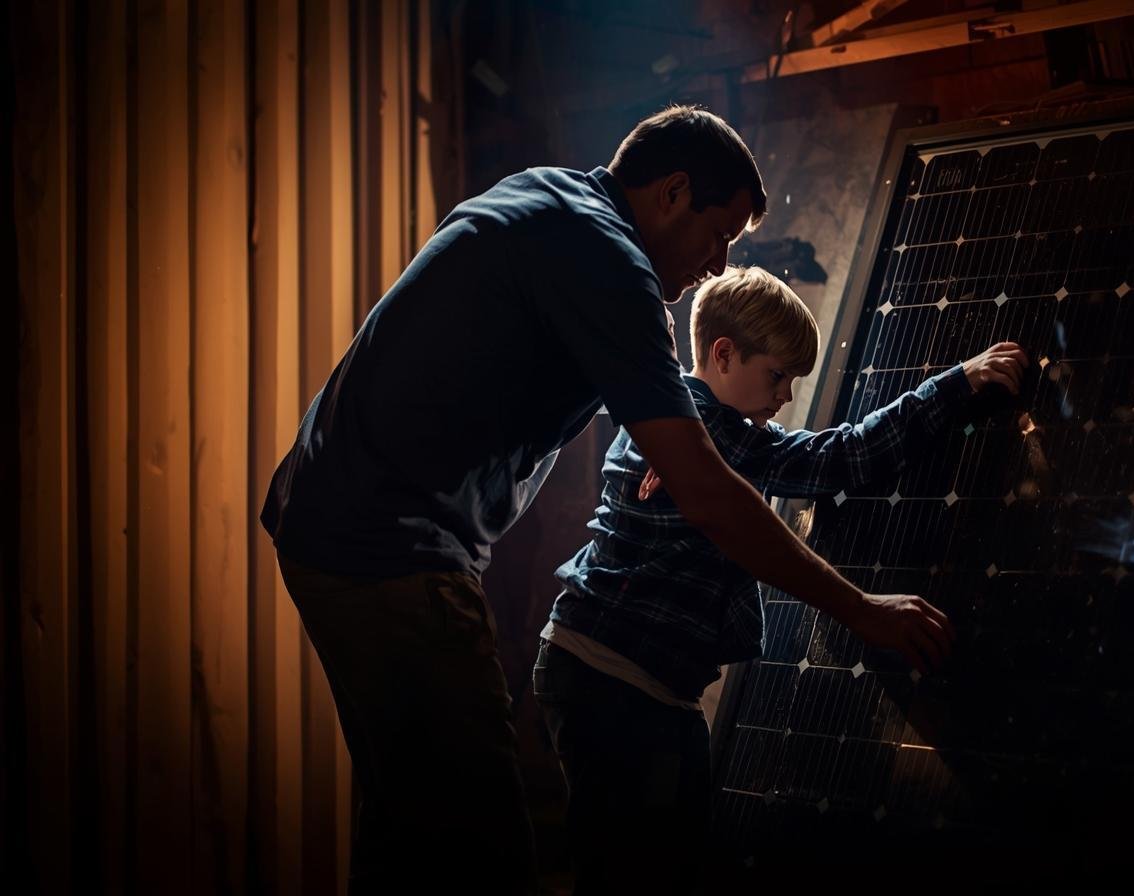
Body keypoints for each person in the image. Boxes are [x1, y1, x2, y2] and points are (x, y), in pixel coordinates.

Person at [259, 106, 958, 894]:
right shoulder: (607, 260)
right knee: (479, 846)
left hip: (324, 515)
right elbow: (706, 493)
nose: (718, 264)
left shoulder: (549, 198)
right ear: (671, 193)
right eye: (717, 233)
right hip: (389, 545)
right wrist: (861, 610)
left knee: (411, 825)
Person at [532, 264, 1028, 893]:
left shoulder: (678, 418)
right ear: (722, 354)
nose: (785, 397)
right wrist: (955, 385)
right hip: (612, 677)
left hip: (633, 679)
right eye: (777, 376)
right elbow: (841, 456)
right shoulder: (711, 433)